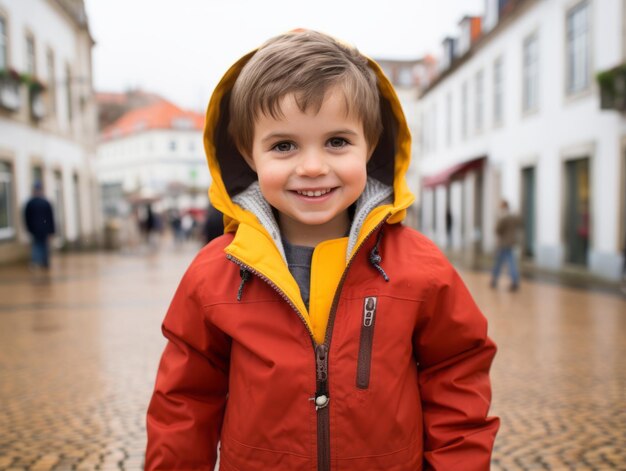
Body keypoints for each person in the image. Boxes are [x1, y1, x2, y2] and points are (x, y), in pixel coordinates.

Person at [145, 30, 499, 470]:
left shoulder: (421, 269)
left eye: (336, 141)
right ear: (248, 152)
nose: (312, 167)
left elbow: (456, 376)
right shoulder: (214, 274)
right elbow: (185, 402)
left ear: (369, 144)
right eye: (284, 145)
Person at [490, 199, 523, 291]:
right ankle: (514, 280)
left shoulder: (503, 217)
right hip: (511, 242)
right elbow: (519, 224)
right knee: (511, 262)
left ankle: (494, 279)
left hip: (503, 243)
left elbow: (497, 229)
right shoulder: (513, 216)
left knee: (499, 262)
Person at [24, 181, 55, 270]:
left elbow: (26, 217)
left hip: (35, 229)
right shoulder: (45, 202)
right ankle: (44, 263)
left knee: (37, 245)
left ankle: (36, 262)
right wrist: (51, 230)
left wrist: (29, 228)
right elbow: (50, 218)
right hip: (43, 229)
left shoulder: (30, 203)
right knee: (43, 245)